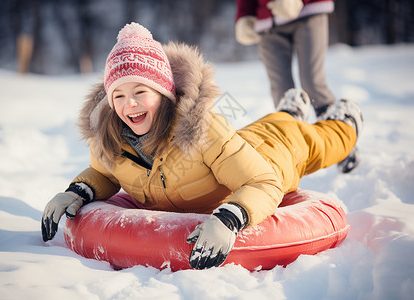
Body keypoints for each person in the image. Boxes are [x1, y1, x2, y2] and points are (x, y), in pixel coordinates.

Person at [41, 22, 363, 270]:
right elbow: (106, 174)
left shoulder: (203, 130)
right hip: (235, 148)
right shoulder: (112, 140)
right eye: (119, 96)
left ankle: (345, 122)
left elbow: (263, 181)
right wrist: (78, 190)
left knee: (306, 140)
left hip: (271, 158)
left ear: (165, 94)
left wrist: (230, 219)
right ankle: (288, 111)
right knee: (268, 126)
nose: (130, 105)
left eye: (141, 91)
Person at [235, 0, 360, 173]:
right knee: (282, 93)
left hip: (307, 12)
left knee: (312, 82)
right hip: (267, 22)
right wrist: (244, 15)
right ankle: (293, 151)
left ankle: (342, 141)